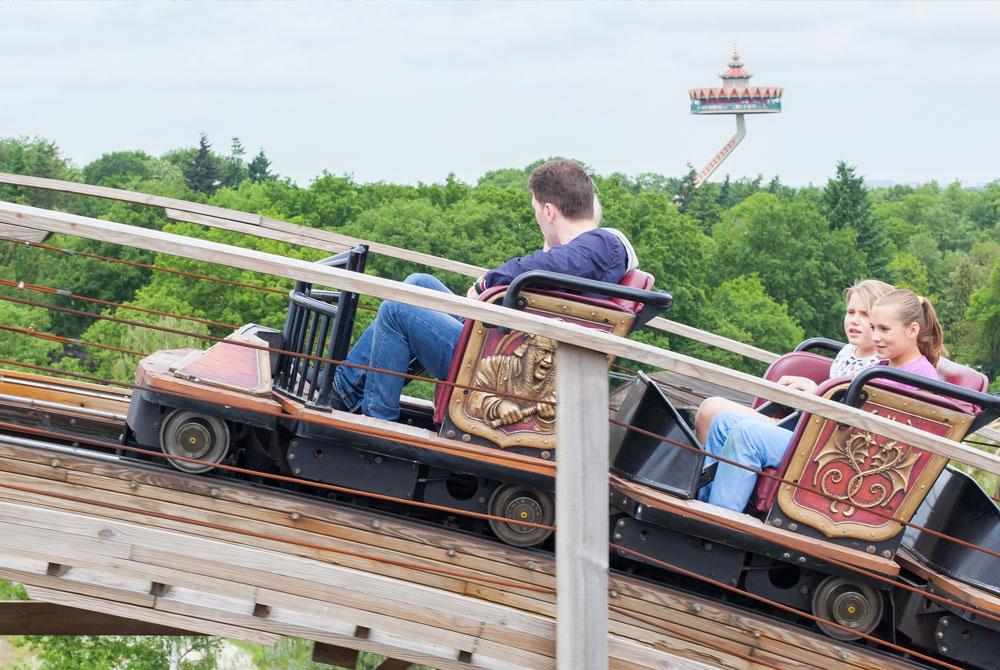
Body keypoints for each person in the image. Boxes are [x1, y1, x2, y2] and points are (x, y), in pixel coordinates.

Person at [333, 159, 638, 421]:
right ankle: (345, 389)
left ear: (548, 211)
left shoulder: (602, 246)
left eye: (536, 210)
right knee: (418, 283)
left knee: (396, 311)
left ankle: (377, 419)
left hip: (506, 369)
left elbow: (533, 269)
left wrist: (484, 284)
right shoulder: (594, 252)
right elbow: (552, 267)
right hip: (510, 347)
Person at [699, 289, 945, 512]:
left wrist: (820, 398)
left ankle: (721, 517)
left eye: (884, 330)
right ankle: (705, 505)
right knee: (724, 422)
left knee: (747, 434)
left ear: (912, 330)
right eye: (875, 328)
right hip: (831, 440)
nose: (876, 336)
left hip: (846, 457)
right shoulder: (882, 366)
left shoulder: (919, 377)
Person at [693, 279, 894, 444]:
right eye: (851, 312)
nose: (854, 320)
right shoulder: (847, 352)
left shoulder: (879, 368)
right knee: (709, 409)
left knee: (713, 410)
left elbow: (846, 414)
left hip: (817, 439)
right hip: (802, 421)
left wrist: (815, 392)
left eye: (864, 315)